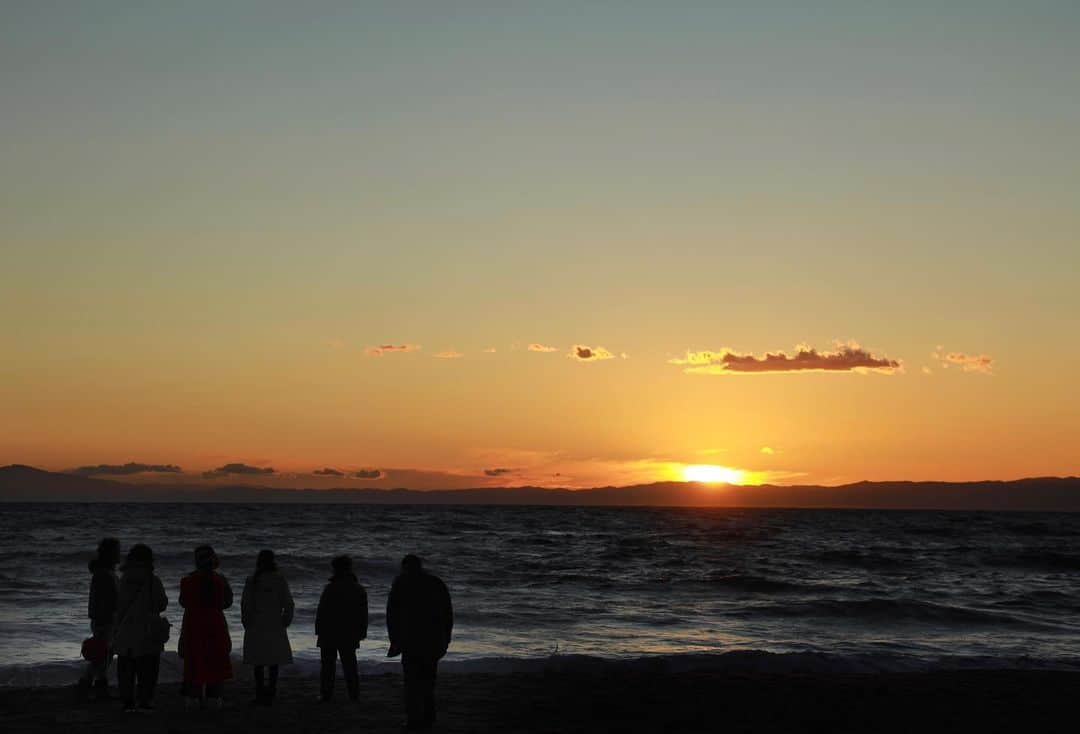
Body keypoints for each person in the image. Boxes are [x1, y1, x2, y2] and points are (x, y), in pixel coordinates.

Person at [386, 554, 453, 731]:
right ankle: (429, 717)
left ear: (404, 567)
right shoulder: (436, 583)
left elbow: (392, 616)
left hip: (410, 640)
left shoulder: (400, 584)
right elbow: (448, 614)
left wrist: (394, 641)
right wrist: (446, 638)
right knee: (428, 681)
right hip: (433, 640)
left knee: (411, 682)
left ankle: (413, 719)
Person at [110, 544, 168, 712]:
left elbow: (117, 606)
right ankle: (145, 701)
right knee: (148, 669)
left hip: (126, 630)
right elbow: (161, 604)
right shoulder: (153, 580)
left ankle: (127, 702)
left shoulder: (123, 579)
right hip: (147, 630)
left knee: (126, 668)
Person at [180, 545, 233, 708]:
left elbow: (183, 602)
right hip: (215, 623)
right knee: (215, 660)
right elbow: (227, 602)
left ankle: (193, 698)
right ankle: (214, 698)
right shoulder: (220, 580)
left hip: (193, 623)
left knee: (194, 661)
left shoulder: (187, 581)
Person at [241, 549, 294, 706]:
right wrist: (286, 619)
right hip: (274, 622)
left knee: (258, 661)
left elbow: (245, 604)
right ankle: (271, 692)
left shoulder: (252, 580)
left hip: (256, 623)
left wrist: (246, 621)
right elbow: (289, 603)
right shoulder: (279, 579)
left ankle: (259, 692)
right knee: (273, 660)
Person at [315, 555, 368, 702]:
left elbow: (322, 611)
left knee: (327, 665)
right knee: (350, 664)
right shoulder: (357, 588)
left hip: (329, 632)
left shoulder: (331, 588)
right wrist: (362, 631)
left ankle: (326, 694)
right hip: (349, 632)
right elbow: (363, 614)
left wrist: (319, 630)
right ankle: (354, 694)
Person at [77, 538, 121, 702]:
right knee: (102, 655)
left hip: (105, 619)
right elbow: (107, 600)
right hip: (105, 620)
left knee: (104, 655)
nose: (119, 554)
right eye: (117, 551)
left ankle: (91, 687)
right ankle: (88, 686)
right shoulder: (104, 574)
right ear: (110, 554)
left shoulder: (104, 573)